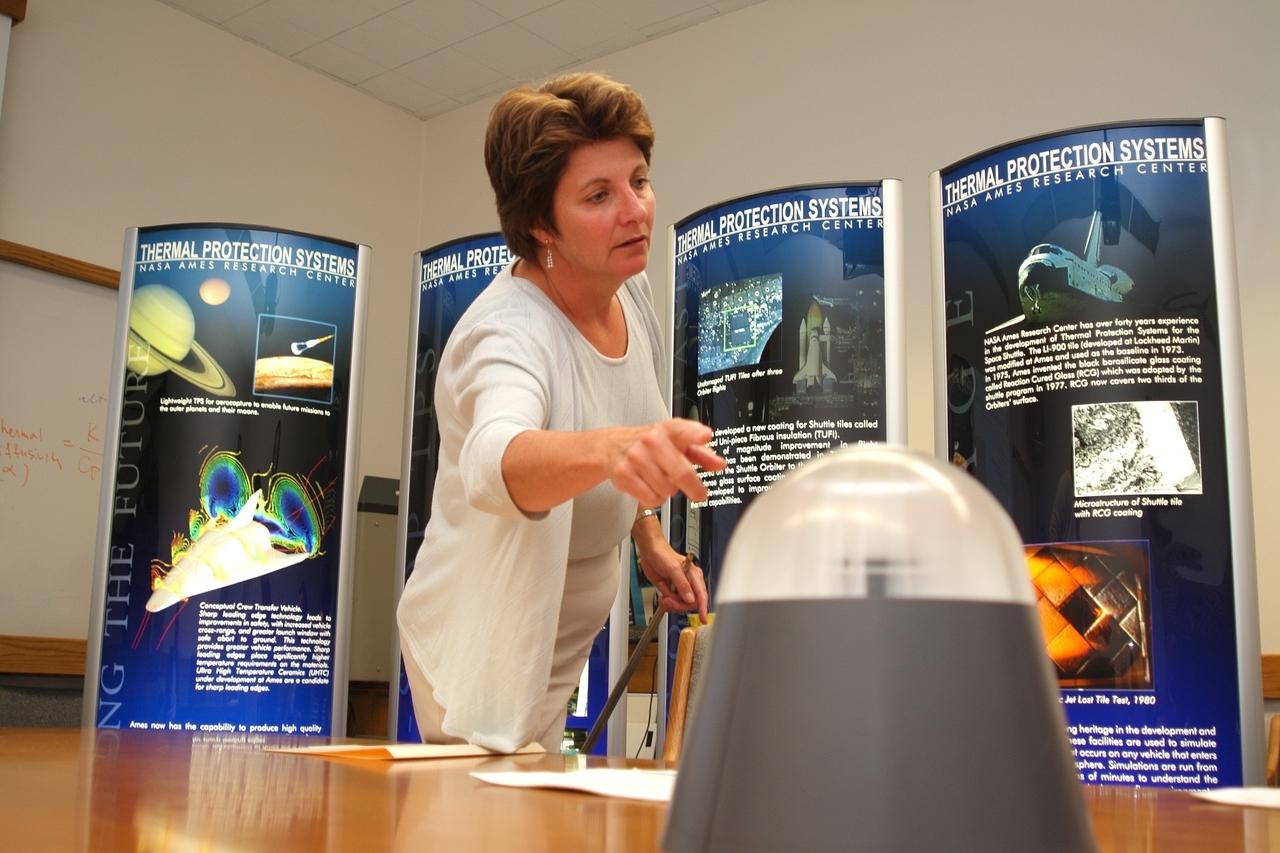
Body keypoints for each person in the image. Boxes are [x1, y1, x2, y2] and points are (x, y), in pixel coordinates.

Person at [396, 72, 726, 753]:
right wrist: (611, 449)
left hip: (558, 643)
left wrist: (648, 538)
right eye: (599, 195)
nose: (635, 211)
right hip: (479, 657)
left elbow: (621, 416)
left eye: (639, 181)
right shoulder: (508, 333)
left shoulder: (628, 288)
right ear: (541, 224)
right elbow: (494, 460)